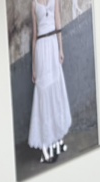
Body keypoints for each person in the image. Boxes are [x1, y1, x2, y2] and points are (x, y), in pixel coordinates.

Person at [28, 0, 71, 164]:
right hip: (41, 49)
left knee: (55, 93)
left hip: (53, 45)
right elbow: (34, 36)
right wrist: (33, 67)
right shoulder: (33, 4)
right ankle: (46, 145)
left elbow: (58, 23)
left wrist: (61, 49)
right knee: (44, 97)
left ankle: (56, 139)